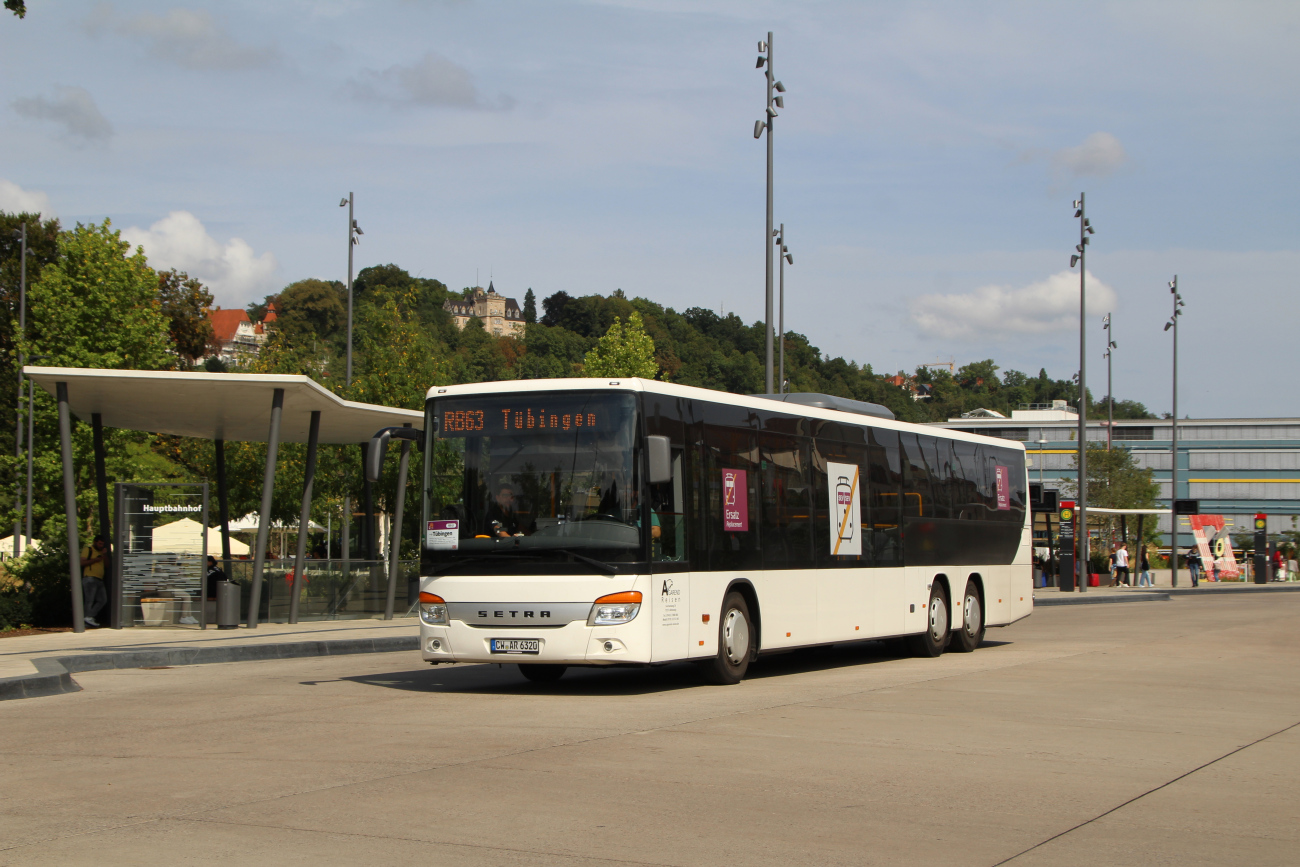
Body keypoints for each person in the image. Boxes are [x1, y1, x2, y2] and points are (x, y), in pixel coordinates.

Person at [79, 535, 110, 628]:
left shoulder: (102, 552)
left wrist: (104, 555)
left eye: (102, 544)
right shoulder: (88, 550)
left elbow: (107, 565)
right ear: (95, 542)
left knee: (103, 600)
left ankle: (89, 617)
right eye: (99, 543)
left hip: (99, 579)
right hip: (89, 578)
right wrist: (95, 560)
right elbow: (82, 562)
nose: (101, 545)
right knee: (89, 600)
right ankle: (86, 620)